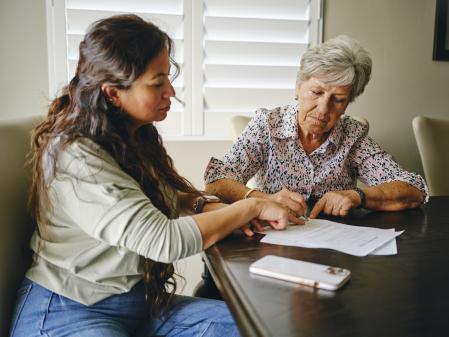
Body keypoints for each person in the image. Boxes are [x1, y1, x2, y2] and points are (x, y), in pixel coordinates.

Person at [9, 15, 298, 337]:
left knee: (264, 327)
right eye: (157, 83)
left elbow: (160, 197)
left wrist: (206, 206)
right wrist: (252, 207)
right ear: (113, 93)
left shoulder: (130, 135)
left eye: (168, 78)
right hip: (69, 311)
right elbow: (163, 241)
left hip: (141, 306)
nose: (171, 91)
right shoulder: (75, 155)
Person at [204, 35, 428, 220]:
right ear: (298, 87)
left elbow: (413, 189)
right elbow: (216, 182)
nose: (323, 109)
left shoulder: (353, 136)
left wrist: (357, 195)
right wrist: (264, 199)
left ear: (348, 102)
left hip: (334, 247)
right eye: (317, 92)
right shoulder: (267, 126)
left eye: (338, 99)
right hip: (272, 238)